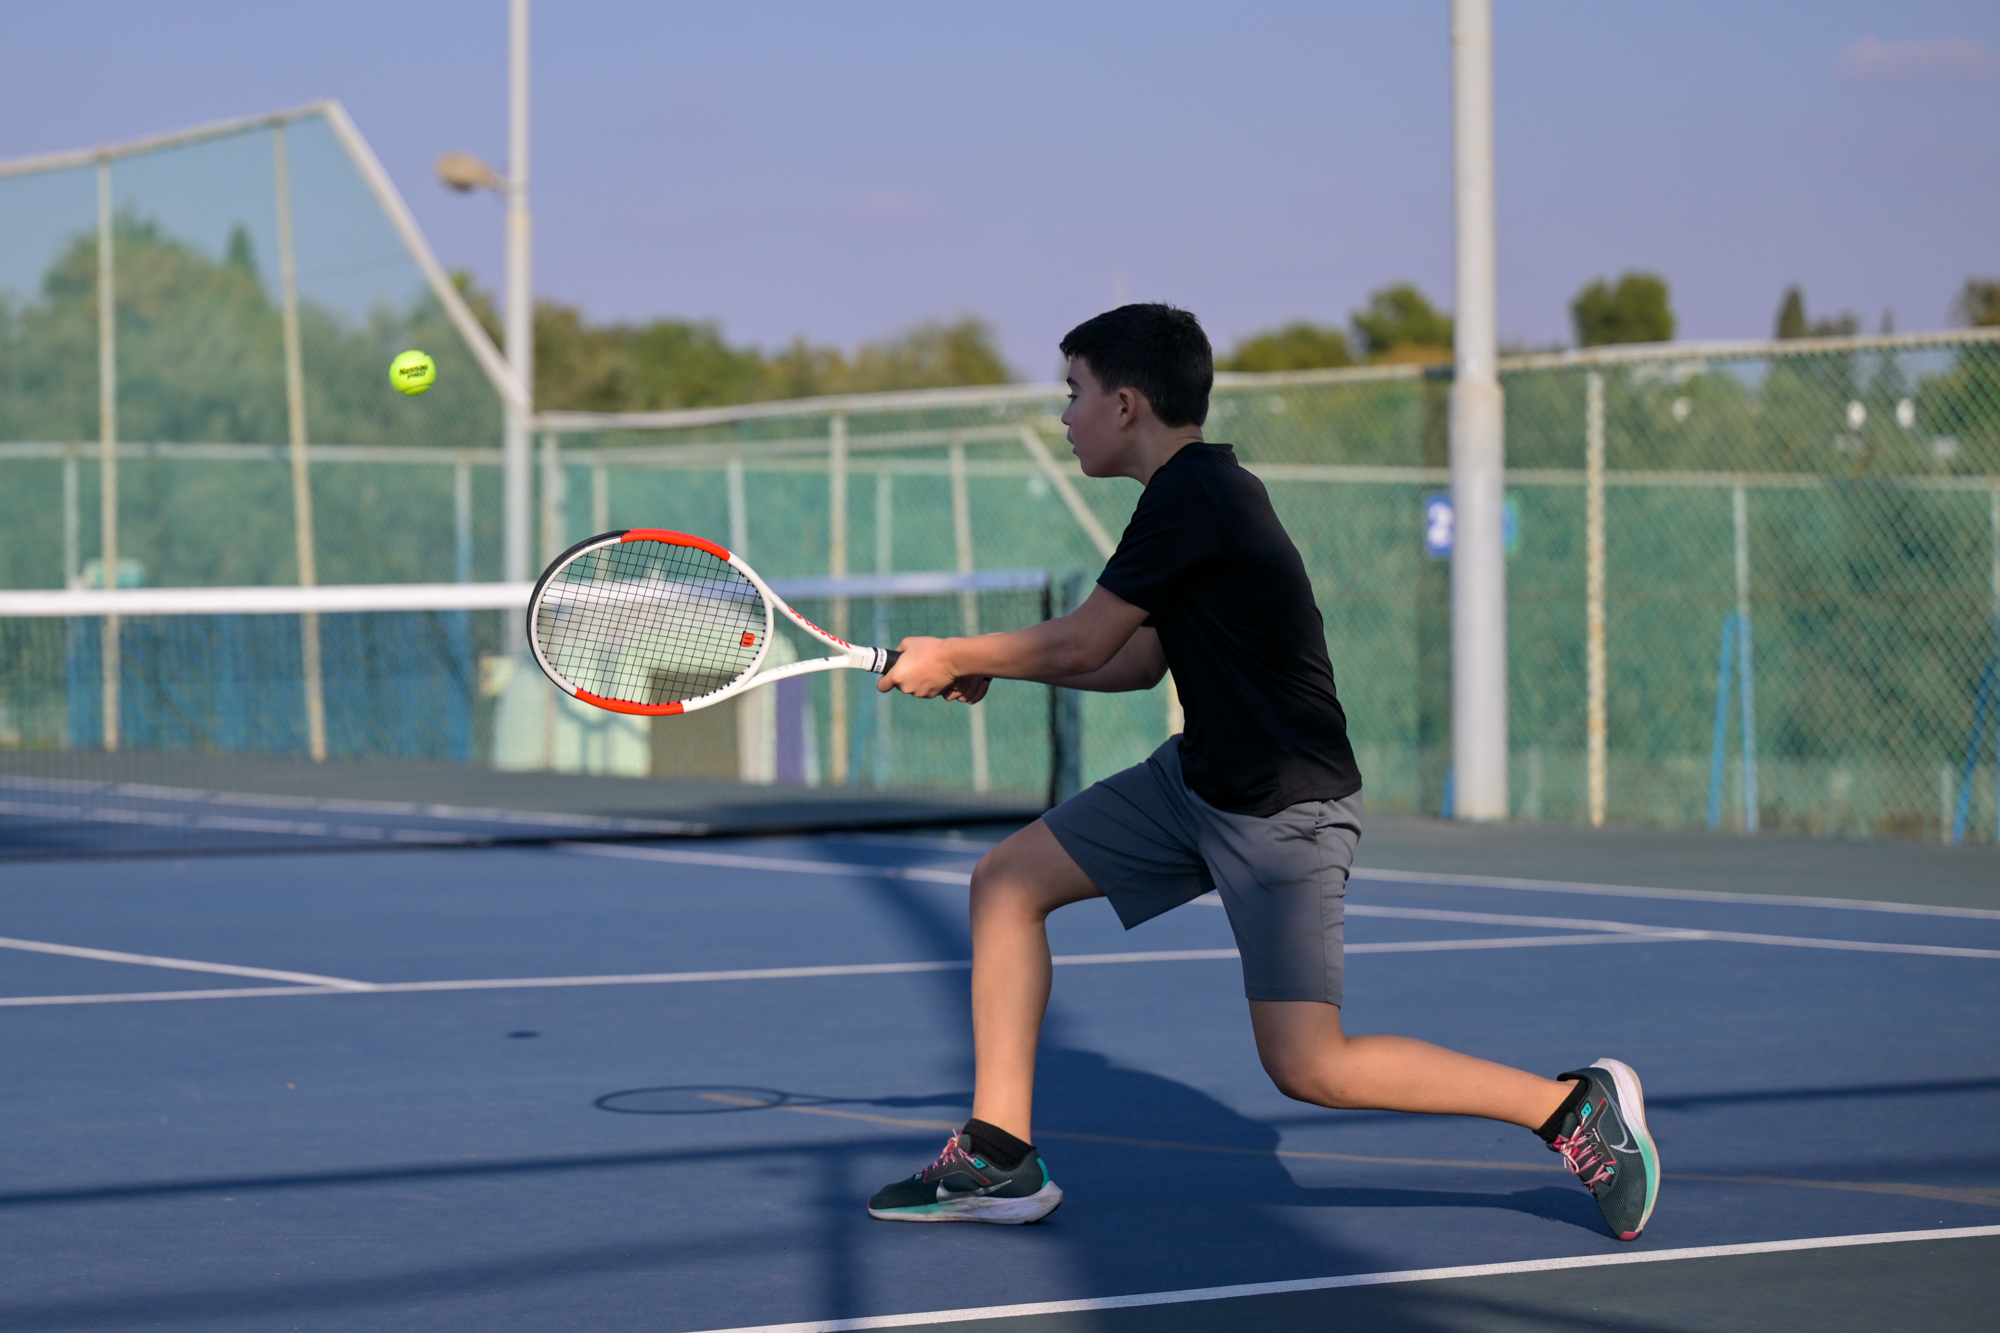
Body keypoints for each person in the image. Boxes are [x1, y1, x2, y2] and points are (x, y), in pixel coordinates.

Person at [869, 304, 1658, 1241]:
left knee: (1309, 1064)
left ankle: (1570, 1109)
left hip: (1286, 810)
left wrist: (956, 651)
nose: (1065, 414)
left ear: (1125, 404)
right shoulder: (1184, 498)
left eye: (1072, 393)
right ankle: (998, 1156)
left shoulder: (1196, 493)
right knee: (1006, 883)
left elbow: (1084, 643)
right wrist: (992, 666)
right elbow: (1135, 659)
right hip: (1198, 781)